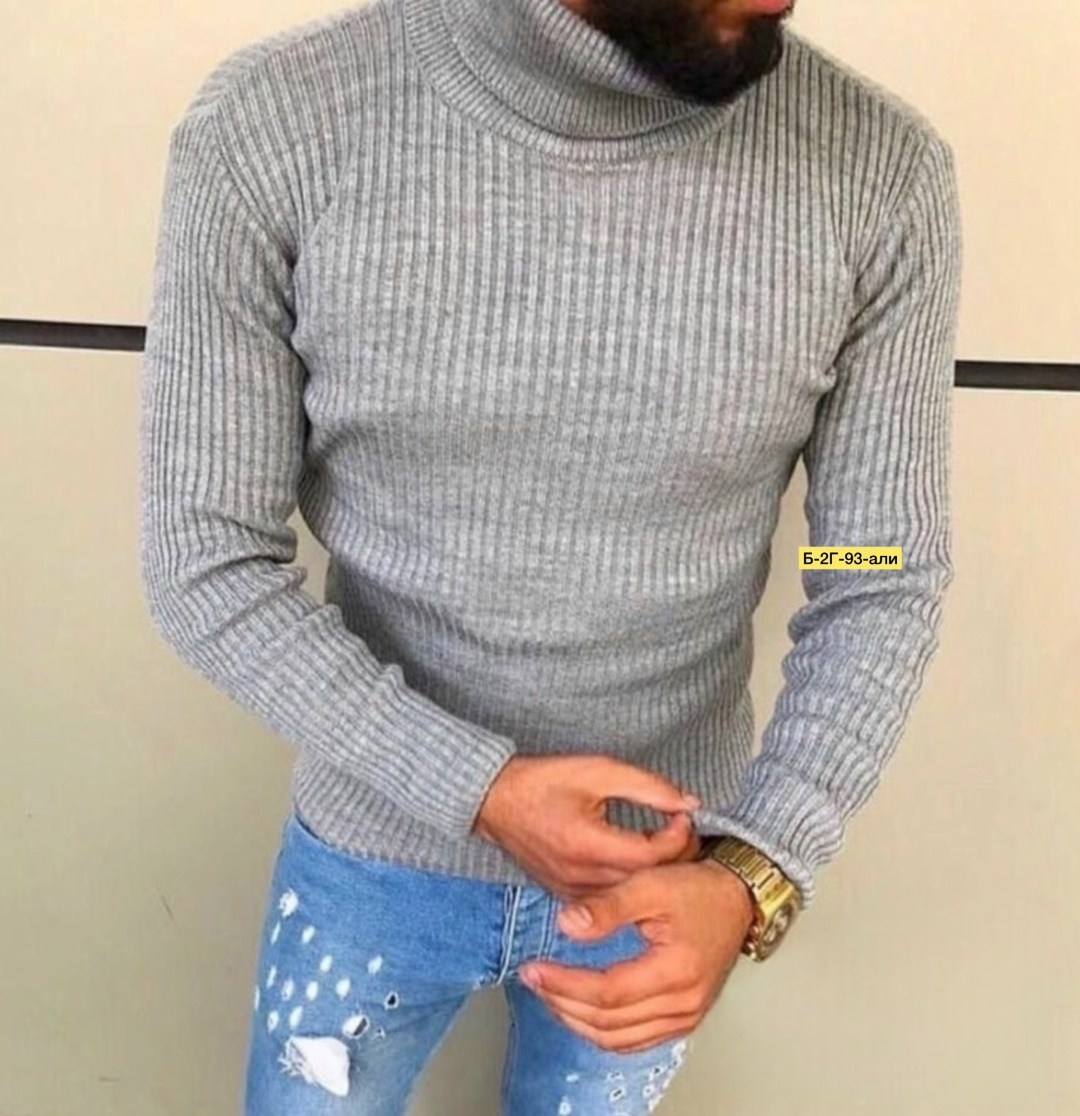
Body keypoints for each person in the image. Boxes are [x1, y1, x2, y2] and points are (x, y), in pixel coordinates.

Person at [137, 0, 963, 1110]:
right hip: (372, 853)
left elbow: (878, 570)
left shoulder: (880, 173)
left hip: (667, 879)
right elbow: (211, 551)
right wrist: (475, 786)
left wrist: (757, 866)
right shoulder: (276, 125)